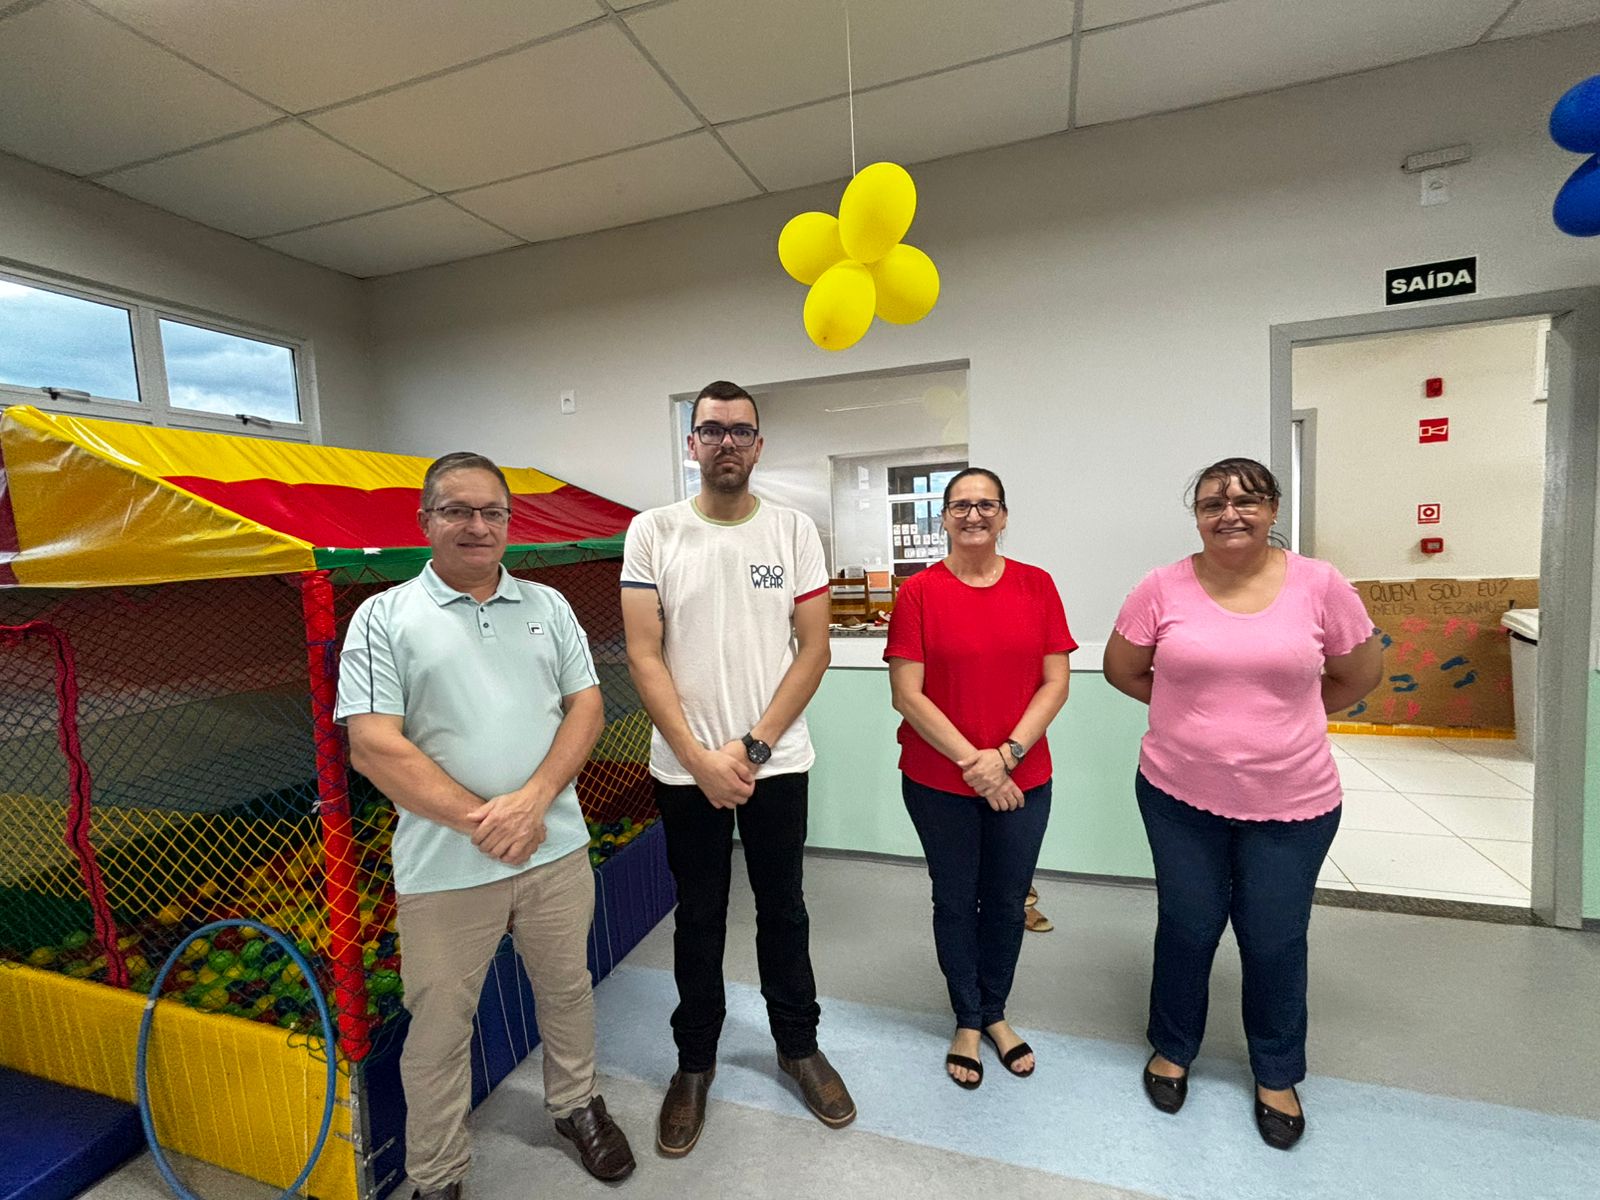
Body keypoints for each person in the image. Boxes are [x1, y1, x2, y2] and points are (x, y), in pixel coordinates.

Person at [337, 452, 636, 1195]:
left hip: (554, 849)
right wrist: (486, 821)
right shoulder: (383, 618)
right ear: (425, 522)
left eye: (491, 512)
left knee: (567, 990)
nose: (477, 525)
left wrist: (534, 801)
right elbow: (372, 745)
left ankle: (576, 1105)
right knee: (440, 1026)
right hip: (445, 864)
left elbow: (587, 707)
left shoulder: (549, 606)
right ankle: (437, 1172)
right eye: (457, 511)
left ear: (509, 521)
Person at [1102, 457, 1382, 1150]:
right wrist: (1191, 713)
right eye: (1212, 503)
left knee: (1274, 938)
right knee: (1188, 927)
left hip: (1293, 802)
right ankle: (1173, 1047)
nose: (1229, 513)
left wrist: (1282, 722)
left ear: (1273, 509)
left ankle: (1277, 1072)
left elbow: (1358, 675)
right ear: (1196, 516)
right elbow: (1123, 669)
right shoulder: (1159, 587)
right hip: (1178, 796)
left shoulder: (1321, 585)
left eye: (1247, 500)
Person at [620, 379, 855, 1157]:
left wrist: (750, 749)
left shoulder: (792, 531)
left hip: (775, 763)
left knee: (784, 909)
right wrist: (699, 759)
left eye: (740, 430)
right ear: (692, 444)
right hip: (684, 769)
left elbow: (814, 649)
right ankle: (695, 1063)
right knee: (699, 916)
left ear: (758, 445)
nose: (727, 441)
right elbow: (644, 655)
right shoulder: (654, 532)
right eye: (712, 429)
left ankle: (798, 1047)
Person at [884, 468, 1074, 1088]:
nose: (973, 515)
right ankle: (967, 1017)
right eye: (961, 505)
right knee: (954, 897)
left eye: (986, 504)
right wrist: (980, 765)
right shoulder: (919, 593)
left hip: (1025, 778)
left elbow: (1055, 682)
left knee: (1008, 900)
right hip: (938, 782)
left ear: (1004, 515)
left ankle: (995, 1011)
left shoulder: (1036, 585)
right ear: (944, 517)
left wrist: (1007, 756)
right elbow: (907, 694)